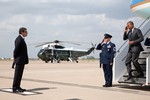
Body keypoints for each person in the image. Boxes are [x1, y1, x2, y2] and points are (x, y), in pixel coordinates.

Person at [12, 27, 29, 92]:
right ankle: (14, 87)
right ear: (22, 32)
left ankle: (18, 86)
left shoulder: (21, 39)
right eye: (26, 32)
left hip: (21, 60)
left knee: (19, 74)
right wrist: (16, 58)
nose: (27, 33)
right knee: (17, 74)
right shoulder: (19, 39)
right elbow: (16, 50)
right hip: (19, 60)